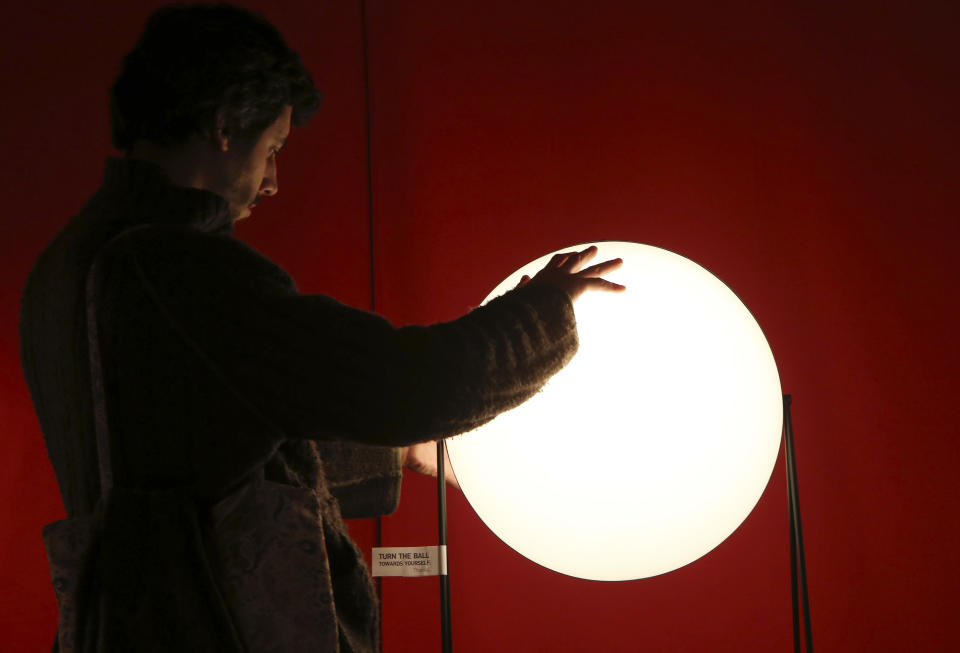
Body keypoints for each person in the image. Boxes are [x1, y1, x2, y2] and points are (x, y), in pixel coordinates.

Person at [19, 4, 624, 652]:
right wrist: (545, 311)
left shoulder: (71, 263)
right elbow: (401, 383)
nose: (273, 181)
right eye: (272, 148)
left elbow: (197, 444)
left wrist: (399, 453)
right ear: (224, 127)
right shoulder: (177, 269)